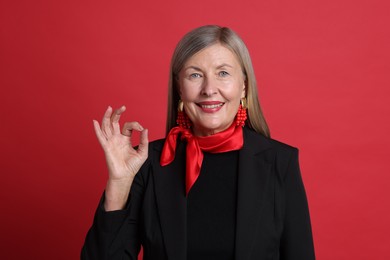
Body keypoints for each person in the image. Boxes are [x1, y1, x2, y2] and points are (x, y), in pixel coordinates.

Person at [81, 25, 315, 260]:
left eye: (223, 73)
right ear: (180, 88)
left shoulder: (280, 162)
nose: (209, 89)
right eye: (195, 75)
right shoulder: (148, 162)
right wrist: (119, 184)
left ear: (243, 85)